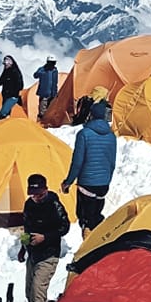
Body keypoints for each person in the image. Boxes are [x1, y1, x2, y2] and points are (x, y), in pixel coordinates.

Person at [18, 175, 70, 302]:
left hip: (49, 254)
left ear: (46, 190)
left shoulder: (54, 204)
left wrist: (45, 237)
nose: (36, 198)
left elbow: (64, 227)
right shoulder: (29, 204)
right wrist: (23, 247)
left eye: (39, 195)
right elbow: (27, 227)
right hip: (33, 254)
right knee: (29, 291)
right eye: (33, 195)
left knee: (36, 290)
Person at [62, 97, 118, 232]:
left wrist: (68, 182)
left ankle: (87, 244)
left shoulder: (84, 134)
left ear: (91, 115)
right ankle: (98, 243)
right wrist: (107, 180)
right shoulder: (111, 136)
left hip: (87, 184)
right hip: (103, 185)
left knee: (85, 219)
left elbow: (77, 162)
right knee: (96, 218)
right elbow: (112, 163)